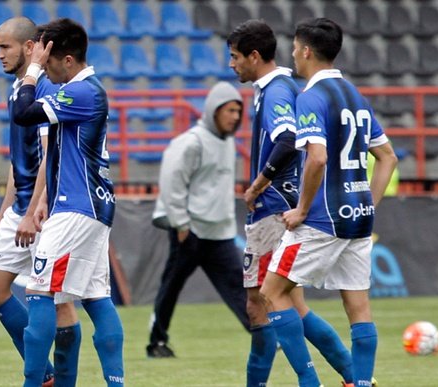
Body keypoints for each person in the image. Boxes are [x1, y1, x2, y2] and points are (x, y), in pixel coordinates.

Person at [259, 18, 397, 387]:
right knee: (358, 307)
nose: (292, 56)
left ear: (306, 51)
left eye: (294, 49)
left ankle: (309, 381)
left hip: (322, 220)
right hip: (358, 219)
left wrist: (302, 209)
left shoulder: (311, 98)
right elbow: (388, 157)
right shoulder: (356, 96)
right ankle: (362, 383)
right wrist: (369, 202)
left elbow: (317, 158)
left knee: (271, 293)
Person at [228, 19, 356, 386]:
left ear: (254, 56)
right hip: (277, 206)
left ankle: (311, 380)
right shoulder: (274, 88)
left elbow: (287, 140)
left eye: (235, 57)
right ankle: (354, 377)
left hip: (273, 207)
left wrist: (257, 185)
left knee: (263, 302)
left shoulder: (277, 91)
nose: (232, 65)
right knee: (284, 304)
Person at [11, 18, 124, 387]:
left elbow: (23, 113)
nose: (46, 69)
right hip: (90, 205)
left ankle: (32, 383)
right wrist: (45, 199)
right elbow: (58, 150)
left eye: (50, 62)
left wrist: (30, 70)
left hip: (77, 207)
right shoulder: (86, 90)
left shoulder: (82, 92)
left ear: (69, 60)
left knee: (40, 292)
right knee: (94, 296)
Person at [0, 16, 58, 386]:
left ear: (30, 47)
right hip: (21, 206)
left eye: (5, 46)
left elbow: (48, 157)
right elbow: (18, 159)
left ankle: (53, 376)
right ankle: (45, 373)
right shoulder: (17, 89)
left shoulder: (43, 89)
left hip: (45, 209)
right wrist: (4, 212)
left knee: (60, 303)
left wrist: (31, 212)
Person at [148, 82, 249, 358]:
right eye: (229, 110)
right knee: (171, 286)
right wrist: (180, 223)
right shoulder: (190, 142)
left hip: (219, 233)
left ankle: (263, 335)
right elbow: (172, 182)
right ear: (213, 111)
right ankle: (156, 342)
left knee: (239, 286)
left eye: (238, 111)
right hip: (189, 230)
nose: (235, 117)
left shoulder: (228, 142)